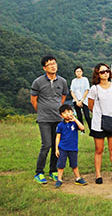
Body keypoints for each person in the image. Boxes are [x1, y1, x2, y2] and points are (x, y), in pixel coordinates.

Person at [30, 55, 69, 184]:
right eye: (49, 64)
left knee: (56, 145)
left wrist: (58, 110)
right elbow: (33, 100)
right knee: (46, 145)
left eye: (54, 63)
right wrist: (42, 111)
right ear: (44, 67)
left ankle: (53, 171)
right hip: (44, 119)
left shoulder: (62, 81)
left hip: (58, 119)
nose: (53, 66)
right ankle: (39, 172)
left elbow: (63, 97)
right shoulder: (38, 82)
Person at [87, 63, 112, 184]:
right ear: (97, 74)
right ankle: (98, 175)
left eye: (107, 71)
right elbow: (90, 105)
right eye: (102, 72)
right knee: (99, 149)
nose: (105, 73)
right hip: (98, 123)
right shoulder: (94, 89)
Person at [54, 104, 88, 188]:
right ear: (61, 115)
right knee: (61, 165)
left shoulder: (75, 123)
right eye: (65, 113)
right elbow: (58, 137)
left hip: (73, 148)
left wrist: (75, 119)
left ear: (72, 112)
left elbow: (82, 128)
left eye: (69, 112)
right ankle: (59, 180)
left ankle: (78, 178)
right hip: (63, 148)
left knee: (74, 165)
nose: (67, 114)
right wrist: (56, 149)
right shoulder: (60, 125)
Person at [70, 66, 91, 133]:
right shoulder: (73, 81)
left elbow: (87, 90)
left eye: (79, 71)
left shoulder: (85, 79)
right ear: (75, 73)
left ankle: (91, 130)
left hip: (84, 100)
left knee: (87, 116)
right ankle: (82, 130)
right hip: (76, 100)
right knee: (79, 116)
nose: (78, 73)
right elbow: (72, 91)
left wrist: (82, 100)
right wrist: (76, 101)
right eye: (77, 71)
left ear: (82, 72)